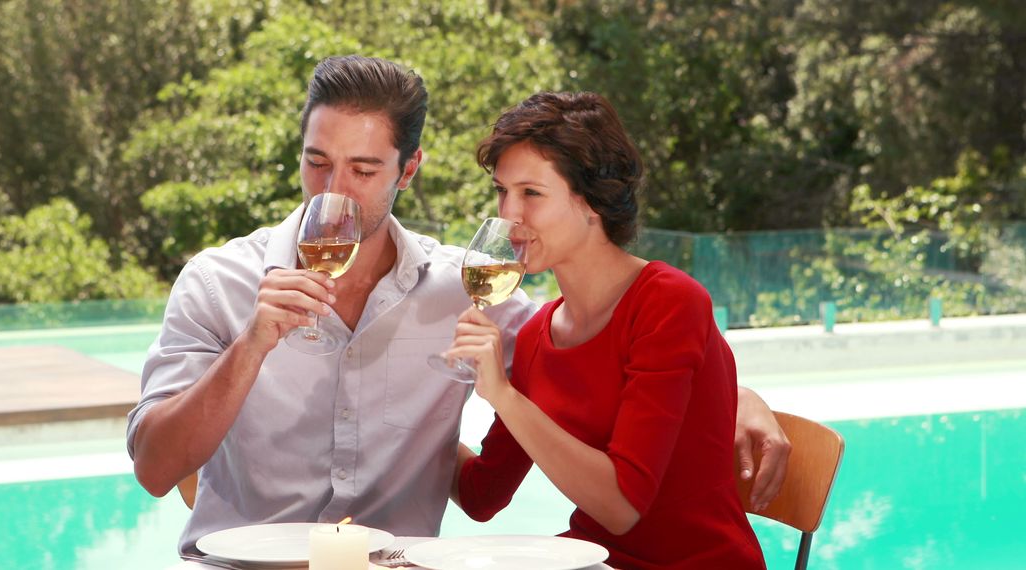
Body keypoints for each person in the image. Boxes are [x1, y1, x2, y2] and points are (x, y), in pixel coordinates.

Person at [126, 55, 788, 555]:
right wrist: (250, 347)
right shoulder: (218, 283)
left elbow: (615, 357)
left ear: (408, 170)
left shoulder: (468, 291)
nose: (331, 191)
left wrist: (737, 397)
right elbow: (156, 471)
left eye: (362, 170)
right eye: (316, 163)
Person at [446, 91, 766, 568]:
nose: (508, 214)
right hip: (592, 561)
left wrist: (505, 396)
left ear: (592, 201)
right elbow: (481, 495)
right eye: (501, 190)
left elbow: (622, 507)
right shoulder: (537, 334)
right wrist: (406, 406)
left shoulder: (668, 303)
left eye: (531, 193)